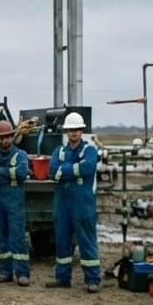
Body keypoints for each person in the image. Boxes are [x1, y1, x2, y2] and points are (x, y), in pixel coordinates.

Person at [46, 111, 101, 293]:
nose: (74, 133)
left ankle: (92, 279)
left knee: (86, 241)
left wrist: (65, 170)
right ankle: (62, 278)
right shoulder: (59, 151)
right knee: (62, 240)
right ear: (66, 132)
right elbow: (53, 171)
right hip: (62, 204)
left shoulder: (90, 150)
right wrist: (73, 170)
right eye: (71, 130)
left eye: (77, 130)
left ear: (82, 131)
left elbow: (88, 167)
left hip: (83, 204)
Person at [0, 119, 30, 286]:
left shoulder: (21, 155)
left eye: (7, 137)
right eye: (1, 138)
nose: (4, 141)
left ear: (12, 137)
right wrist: (10, 173)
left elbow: (22, 172)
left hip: (14, 199)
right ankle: (5, 271)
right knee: (0, 236)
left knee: (17, 235)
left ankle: (22, 273)